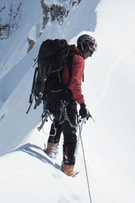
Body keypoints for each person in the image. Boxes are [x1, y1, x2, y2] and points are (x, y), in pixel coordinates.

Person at [44, 34, 97, 176]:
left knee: (58, 122)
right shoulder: (78, 60)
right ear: (84, 46)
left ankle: (50, 150)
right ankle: (68, 169)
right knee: (71, 135)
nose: (90, 55)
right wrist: (82, 104)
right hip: (66, 99)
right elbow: (74, 84)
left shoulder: (67, 52)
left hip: (53, 96)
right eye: (90, 51)